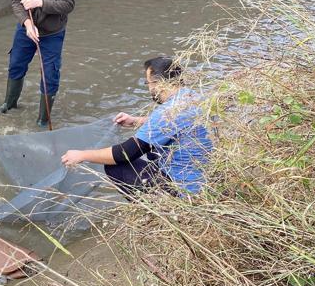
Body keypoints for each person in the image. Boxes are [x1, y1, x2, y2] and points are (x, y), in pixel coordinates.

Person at [60, 57, 213, 195]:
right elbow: (174, 125)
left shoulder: (166, 112)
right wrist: (136, 121)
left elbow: (125, 153)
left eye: (148, 83)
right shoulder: (193, 97)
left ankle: (161, 206)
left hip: (185, 189)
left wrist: (82, 155)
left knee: (116, 167)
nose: (149, 88)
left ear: (158, 83)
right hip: (204, 179)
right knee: (154, 151)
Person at [0, 0, 76, 127]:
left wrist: (39, 3)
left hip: (52, 32)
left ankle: (43, 119)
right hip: (27, 27)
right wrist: (26, 24)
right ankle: (10, 103)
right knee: (16, 64)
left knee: (49, 74)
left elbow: (68, 4)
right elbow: (16, 0)